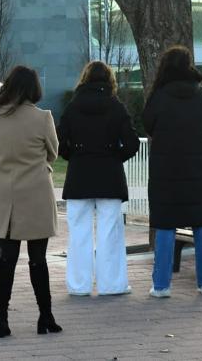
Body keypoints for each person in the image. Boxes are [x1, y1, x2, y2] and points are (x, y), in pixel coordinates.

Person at [0, 65, 61, 338]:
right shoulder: (43, 118)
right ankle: (46, 315)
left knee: (6, 260)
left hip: (6, 193)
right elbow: (53, 152)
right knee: (37, 260)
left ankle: (1, 318)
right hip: (37, 193)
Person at [58, 61, 139, 297]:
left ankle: (78, 285)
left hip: (79, 174)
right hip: (109, 175)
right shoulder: (116, 107)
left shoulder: (72, 107)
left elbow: (60, 142)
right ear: (109, 80)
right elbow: (132, 143)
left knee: (79, 233)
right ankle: (111, 284)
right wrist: (115, 157)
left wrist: (74, 155)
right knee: (109, 233)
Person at [143, 45, 202, 298]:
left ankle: (161, 285)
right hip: (199, 170)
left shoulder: (159, 96)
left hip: (167, 170)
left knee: (165, 225)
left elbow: (147, 124)